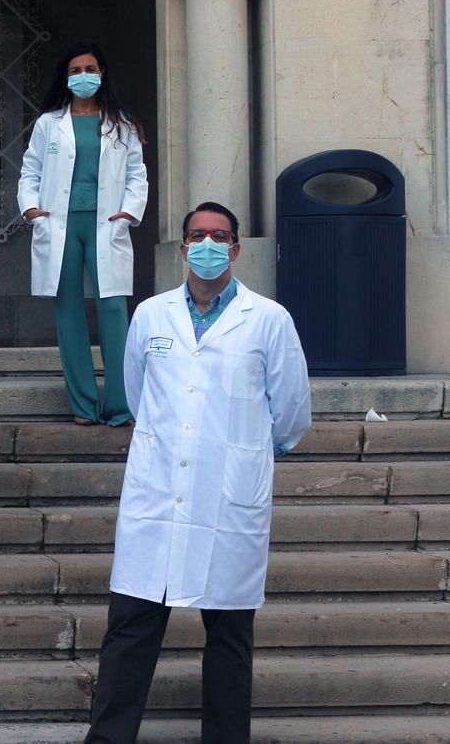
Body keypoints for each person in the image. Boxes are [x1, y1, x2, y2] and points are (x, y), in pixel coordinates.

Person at [86, 201, 312, 744]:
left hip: (228, 499)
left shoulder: (269, 320)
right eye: (197, 235)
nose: (207, 245)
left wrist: (250, 452)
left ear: (235, 248)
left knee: (230, 637)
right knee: (130, 632)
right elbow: (139, 394)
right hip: (157, 497)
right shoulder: (151, 315)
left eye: (219, 236)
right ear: (183, 245)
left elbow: (292, 410)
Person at [17, 42, 148, 427]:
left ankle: (121, 405)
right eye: (75, 70)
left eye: (90, 68)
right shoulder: (48, 123)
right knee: (68, 310)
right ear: (66, 77)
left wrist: (129, 211)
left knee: (113, 310)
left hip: (106, 224)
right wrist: (30, 208)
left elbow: (137, 175)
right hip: (61, 223)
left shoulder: (122, 125)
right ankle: (84, 405)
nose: (83, 76)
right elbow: (31, 171)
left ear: (102, 73)